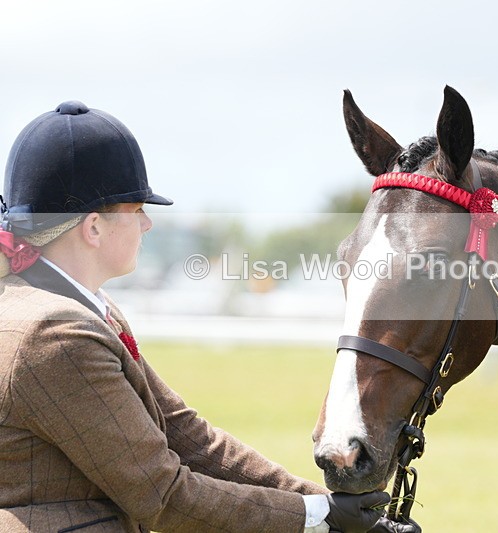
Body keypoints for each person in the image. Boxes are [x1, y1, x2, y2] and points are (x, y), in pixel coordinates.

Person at [0, 101, 420, 533]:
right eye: (136, 209)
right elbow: (162, 495)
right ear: (93, 228)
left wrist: (330, 507)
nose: (146, 224)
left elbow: (186, 436)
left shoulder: (69, 308)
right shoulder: (57, 334)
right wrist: (319, 519)